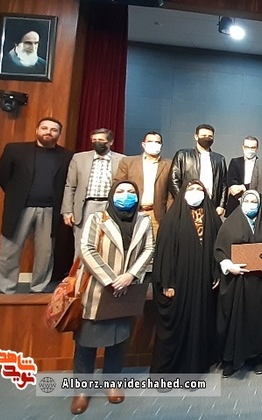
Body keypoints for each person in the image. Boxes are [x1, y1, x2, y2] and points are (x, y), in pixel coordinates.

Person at [71, 180, 154, 414]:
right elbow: (87, 249)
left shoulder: (143, 221)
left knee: (119, 339)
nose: (126, 195)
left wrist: (130, 275)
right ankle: (81, 390)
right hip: (98, 288)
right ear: (111, 195)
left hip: (126, 289)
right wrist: (111, 279)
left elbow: (149, 249)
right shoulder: (98, 218)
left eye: (131, 191)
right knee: (86, 341)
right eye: (120, 191)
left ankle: (112, 382)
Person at [150, 180, 223, 374]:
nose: (196, 192)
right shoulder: (172, 219)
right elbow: (164, 253)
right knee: (178, 325)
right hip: (179, 282)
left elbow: (219, 248)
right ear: (182, 192)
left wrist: (216, 272)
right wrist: (168, 282)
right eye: (191, 189)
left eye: (200, 189)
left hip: (204, 281)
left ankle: (196, 366)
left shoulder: (213, 218)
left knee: (201, 323)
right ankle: (170, 370)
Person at [0, 117, 73, 294]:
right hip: (20, 209)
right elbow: (2, 175)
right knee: (10, 250)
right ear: (37, 130)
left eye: (53, 130)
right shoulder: (15, 150)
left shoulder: (67, 156)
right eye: (44, 128)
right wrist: (17, 195)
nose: (48, 132)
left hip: (50, 210)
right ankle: (6, 288)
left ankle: (39, 288)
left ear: (59, 134)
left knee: (45, 253)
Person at [214, 190, 262, 377]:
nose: (250, 204)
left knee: (257, 319)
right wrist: (228, 266)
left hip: (258, 282)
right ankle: (230, 359)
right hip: (235, 282)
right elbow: (219, 250)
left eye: (254, 201)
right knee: (233, 320)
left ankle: (256, 357)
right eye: (247, 200)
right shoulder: (229, 223)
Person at [62, 128, 125, 255]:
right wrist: (67, 211)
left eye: (101, 140)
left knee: (106, 247)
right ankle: (79, 268)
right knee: (82, 246)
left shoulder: (122, 160)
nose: (97, 142)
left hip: (110, 206)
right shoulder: (79, 158)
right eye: (94, 140)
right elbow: (70, 186)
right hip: (86, 206)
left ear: (110, 142)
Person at [113, 131, 171, 237]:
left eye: (157, 142)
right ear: (143, 144)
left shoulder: (169, 164)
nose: (154, 144)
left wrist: (168, 215)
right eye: (150, 141)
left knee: (155, 245)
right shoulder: (128, 162)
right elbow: (117, 185)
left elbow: (171, 193)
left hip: (156, 215)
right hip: (132, 213)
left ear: (161, 145)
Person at [169, 124, 227, 216]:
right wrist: (182, 200)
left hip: (211, 206)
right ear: (196, 137)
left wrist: (221, 205)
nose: (207, 138)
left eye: (210, 136)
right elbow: (174, 180)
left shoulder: (219, 159)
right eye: (203, 135)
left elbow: (224, 184)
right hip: (187, 206)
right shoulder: (183, 155)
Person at [225, 136, 259, 216]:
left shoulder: (261, 163)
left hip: (254, 203)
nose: (250, 150)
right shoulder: (235, 162)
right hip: (235, 203)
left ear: (257, 148)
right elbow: (231, 183)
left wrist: (243, 187)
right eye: (247, 147)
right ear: (243, 147)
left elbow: (260, 183)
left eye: (253, 147)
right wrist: (241, 197)